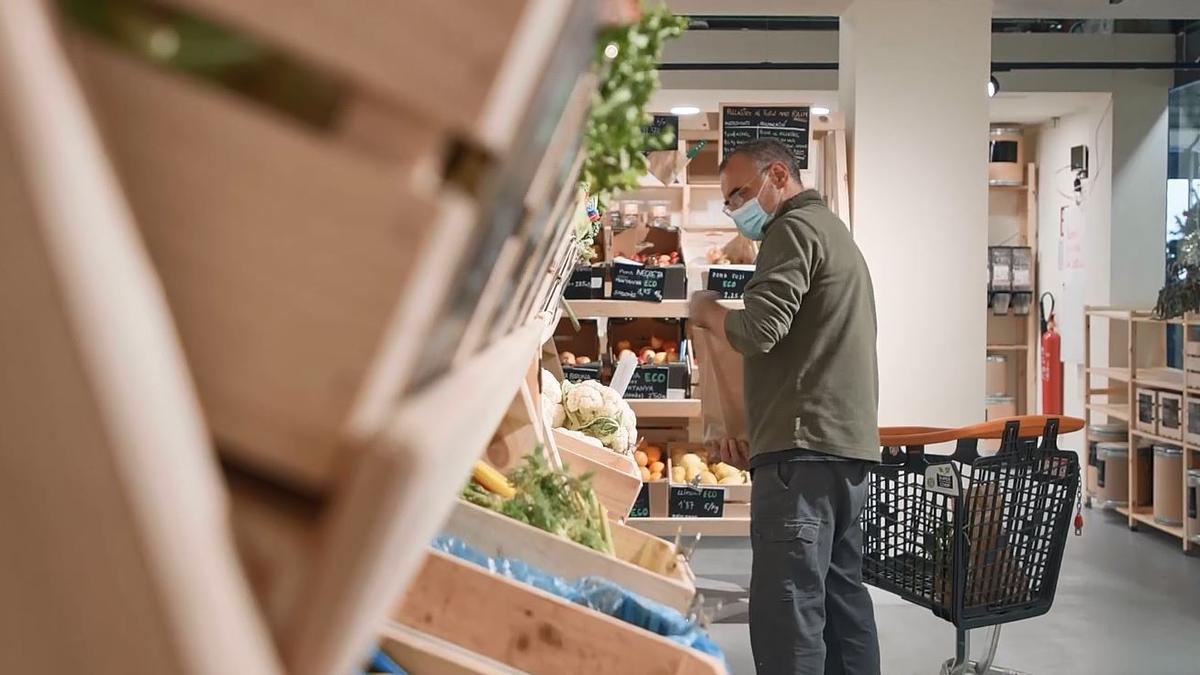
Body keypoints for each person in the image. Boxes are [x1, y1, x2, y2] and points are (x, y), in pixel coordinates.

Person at [688, 138, 881, 675]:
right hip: (844, 451)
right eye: (728, 201)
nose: (736, 210)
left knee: (789, 610)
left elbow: (760, 329)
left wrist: (709, 312)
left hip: (802, 457)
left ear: (778, 175)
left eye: (740, 193)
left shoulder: (791, 231)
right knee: (843, 607)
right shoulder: (832, 232)